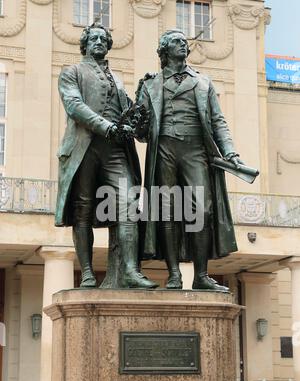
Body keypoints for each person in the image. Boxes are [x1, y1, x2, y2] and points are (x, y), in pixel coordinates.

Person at [136, 29, 243, 292]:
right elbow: (140, 134)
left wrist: (229, 151)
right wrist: (139, 108)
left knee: (203, 210)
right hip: (164, 149)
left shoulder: (204, 82)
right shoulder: (150, 84)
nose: (183, 44)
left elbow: (218, 121)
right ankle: (173, 274)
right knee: (167, 210)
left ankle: (201, 275)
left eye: (184, 42)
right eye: (176, 41)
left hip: (196, 150)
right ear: (163, 50)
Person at [55, 21, 157, 289]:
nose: (99, 42)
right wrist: (106, 127)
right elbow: (74, 106)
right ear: (85, 44)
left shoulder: (118, 78)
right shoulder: (71, 72)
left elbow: (130, 114)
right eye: (94, 39)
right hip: (83, 148)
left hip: (115, 151)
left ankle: (129, 271)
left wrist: (143, 99)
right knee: (83, 210)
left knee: (128, 204)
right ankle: (87, 271)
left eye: (104, 39)